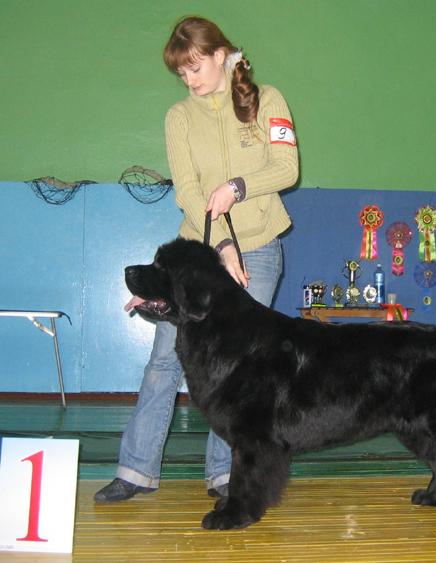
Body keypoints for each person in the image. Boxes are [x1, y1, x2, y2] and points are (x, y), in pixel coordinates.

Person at [95, 15, 298, 503]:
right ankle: (136, 469)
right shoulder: (179, 117)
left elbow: (287, 168)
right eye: (181, 74)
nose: (189, 80)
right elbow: (187, 191)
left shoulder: (266, 99)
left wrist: (238, 188)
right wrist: (221, 248)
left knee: (241, 366)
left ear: (217, 54)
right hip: (200, 253)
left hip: (262, 246)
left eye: (194, 67)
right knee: (166, 360)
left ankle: (226, 474)